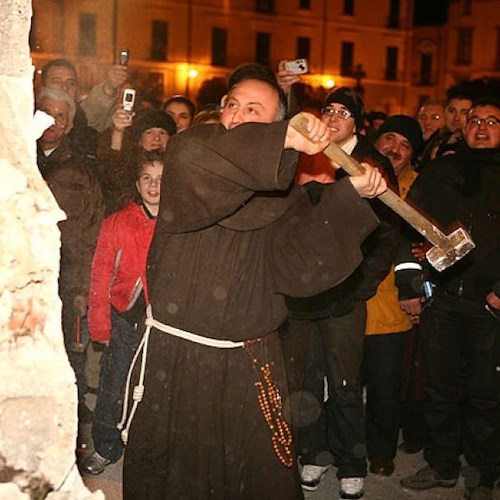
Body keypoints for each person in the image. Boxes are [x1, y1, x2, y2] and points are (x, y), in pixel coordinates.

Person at [120, 65, 387, 499]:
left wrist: (350, 195)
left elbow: (299, 267)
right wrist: (283, 138)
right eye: (231, 104)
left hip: (247, 363)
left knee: (251, 476)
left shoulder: (288, 199)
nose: (237, 114)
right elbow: (193, 151)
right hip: (177, 360)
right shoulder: (193, 162)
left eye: (253, 108)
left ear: (277, 121)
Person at [281, 87, 398, 499]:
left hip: (345, 294)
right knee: (305, 381)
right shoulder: (306, 153)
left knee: (346, 381)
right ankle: (313, 453)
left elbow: (386, 232)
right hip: (303, 291)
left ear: (357, 124)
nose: (332, 117)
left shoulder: (371, 165)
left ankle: (352, 461)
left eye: (343, 112)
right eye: (328, 109)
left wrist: (362, 285)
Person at [397, 98, 500, 500]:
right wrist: (410, 287)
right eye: (475, 120)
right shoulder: (441, 171)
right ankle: (441, 463)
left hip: (489, 304)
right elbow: (409, 228)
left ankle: (484, 471)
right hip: (441, 299)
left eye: (493, 121)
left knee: (486, 392)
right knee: (439, 389)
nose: (481, 127)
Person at [82, 150, 165, 475]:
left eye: (161, 179)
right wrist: (99, 322)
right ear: (137, 183)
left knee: (154, 387)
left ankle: (147, 449)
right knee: (114, 382)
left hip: (161, 321)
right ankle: (105, 444)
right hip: (123, 316)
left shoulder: (178, 224)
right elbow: (101, 275)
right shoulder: (117, 223)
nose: (154, 185)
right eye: (147, 178)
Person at [36, 86, 105, 440]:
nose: (52, 122)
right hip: (16, 283)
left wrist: (82, 291)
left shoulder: (81, 173)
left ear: (69, 124)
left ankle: (65, 438)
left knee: (66, 364)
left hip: (62, 286)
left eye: (60, 116)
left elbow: (90, 235)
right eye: (45, 112)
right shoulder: (13, 159)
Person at [363, 115, 423, 477]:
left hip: (391, 305)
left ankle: (381, 452)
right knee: (346, 386)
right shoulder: (356, 177)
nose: (395, 149)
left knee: (386, 387)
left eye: (405, 145)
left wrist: (415, 290)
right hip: (352, 302)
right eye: (390, 139)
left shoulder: (419, 188)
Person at [40, 58, 128, 157]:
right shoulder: (24, 119)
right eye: (56, 81)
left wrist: (110, 87)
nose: (64, 87)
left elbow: (94, 108)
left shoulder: (82, 121)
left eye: (71, 83)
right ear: (42, 86)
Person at [96, 108, 176, 214]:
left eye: (162, 132)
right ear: (139, 140)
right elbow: (112, 163)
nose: (157, 138)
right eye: (149, 132)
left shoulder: (178, 168)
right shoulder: (129, 167)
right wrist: (118, 131)